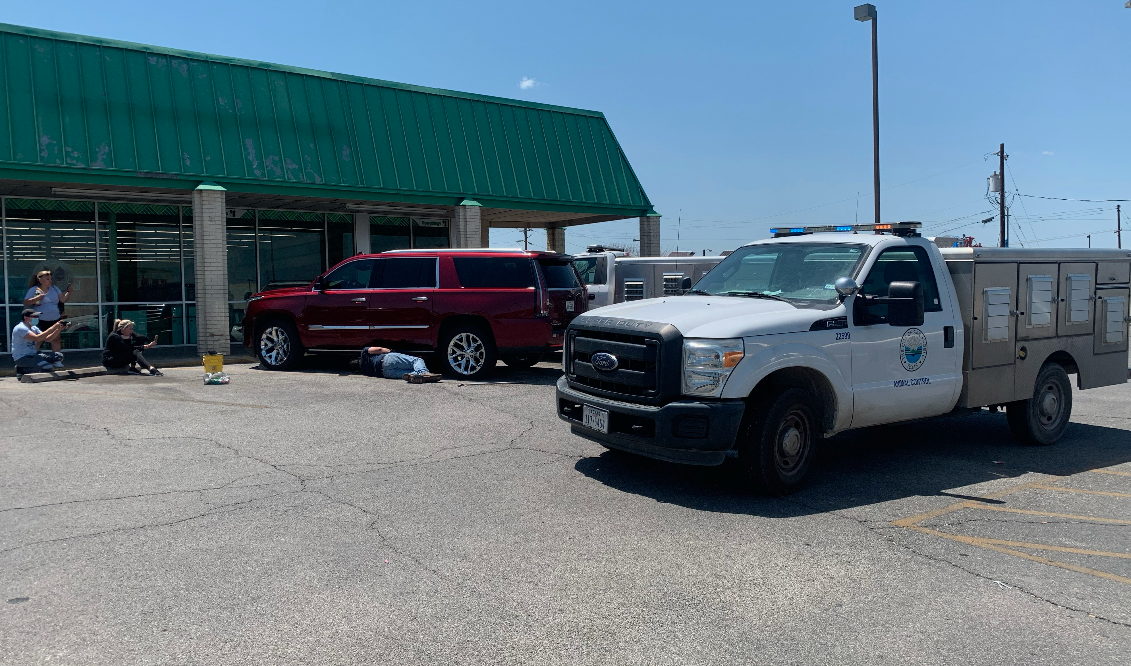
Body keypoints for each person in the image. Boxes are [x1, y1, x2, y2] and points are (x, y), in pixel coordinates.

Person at [23, 270, 72, 356]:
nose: (50, 281)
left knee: (56, 339)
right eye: (47, 279)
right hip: (41, 319)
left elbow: (63, 300)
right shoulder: (34, 289)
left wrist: (68, 291)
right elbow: (26, 302)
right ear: (40, 280)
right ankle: (33, 358)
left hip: (55, 318)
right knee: (38, 339)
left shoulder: (54, 288)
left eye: (50, 279)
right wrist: (37, 298)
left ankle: (57, 359)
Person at [11, 308, 66, 373]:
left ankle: (37, 364)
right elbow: (37, 338)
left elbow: (47, 339)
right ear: (26, 318)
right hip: (22, 357)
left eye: (37, 316)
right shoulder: (21, 328)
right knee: (47, 367)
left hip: (34, 355)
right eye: (34, 316)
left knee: (58, 356)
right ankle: (21, 369)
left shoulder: (34, 328)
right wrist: (54, 327)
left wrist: (58, 329)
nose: (36, 318)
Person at [353, 346, 441, 383]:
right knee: (417, 361)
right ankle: (424, 373)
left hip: (386, 373)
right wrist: (390, 351)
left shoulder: (365, 371)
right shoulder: (364, 353)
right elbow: (379, 349)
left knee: (411, 372)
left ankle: (414, 376)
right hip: (386, 360)